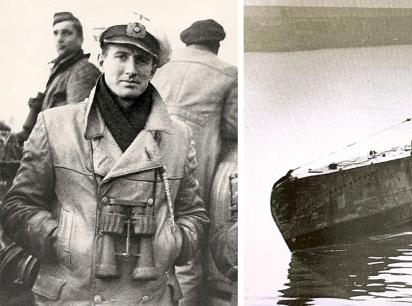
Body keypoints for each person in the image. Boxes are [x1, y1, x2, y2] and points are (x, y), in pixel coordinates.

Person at [0, 18, 209, 305]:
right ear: (101, 59)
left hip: (152, 295)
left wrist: (172, 243)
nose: (131, 70)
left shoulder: (179, 135)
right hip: (75, 295)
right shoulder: (55, 125)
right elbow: (17, 206)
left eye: (142, 60)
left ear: (153, 68)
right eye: (121, 56)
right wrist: (62, 241)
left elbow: (193, 212)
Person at [153, 19, 237, 306]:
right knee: (188, 250)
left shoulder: (162, 70)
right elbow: (232, 127)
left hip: (148, 163)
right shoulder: (228, 73)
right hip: (194, 167)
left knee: (153, 243)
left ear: (187, 42)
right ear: (216, 44)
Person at [16, 12, 100, 142]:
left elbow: (78, 126)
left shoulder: (82, 71)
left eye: (67, 33)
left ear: (80, 39)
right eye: (56, 33)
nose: (60, 38)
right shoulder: (61, 71)